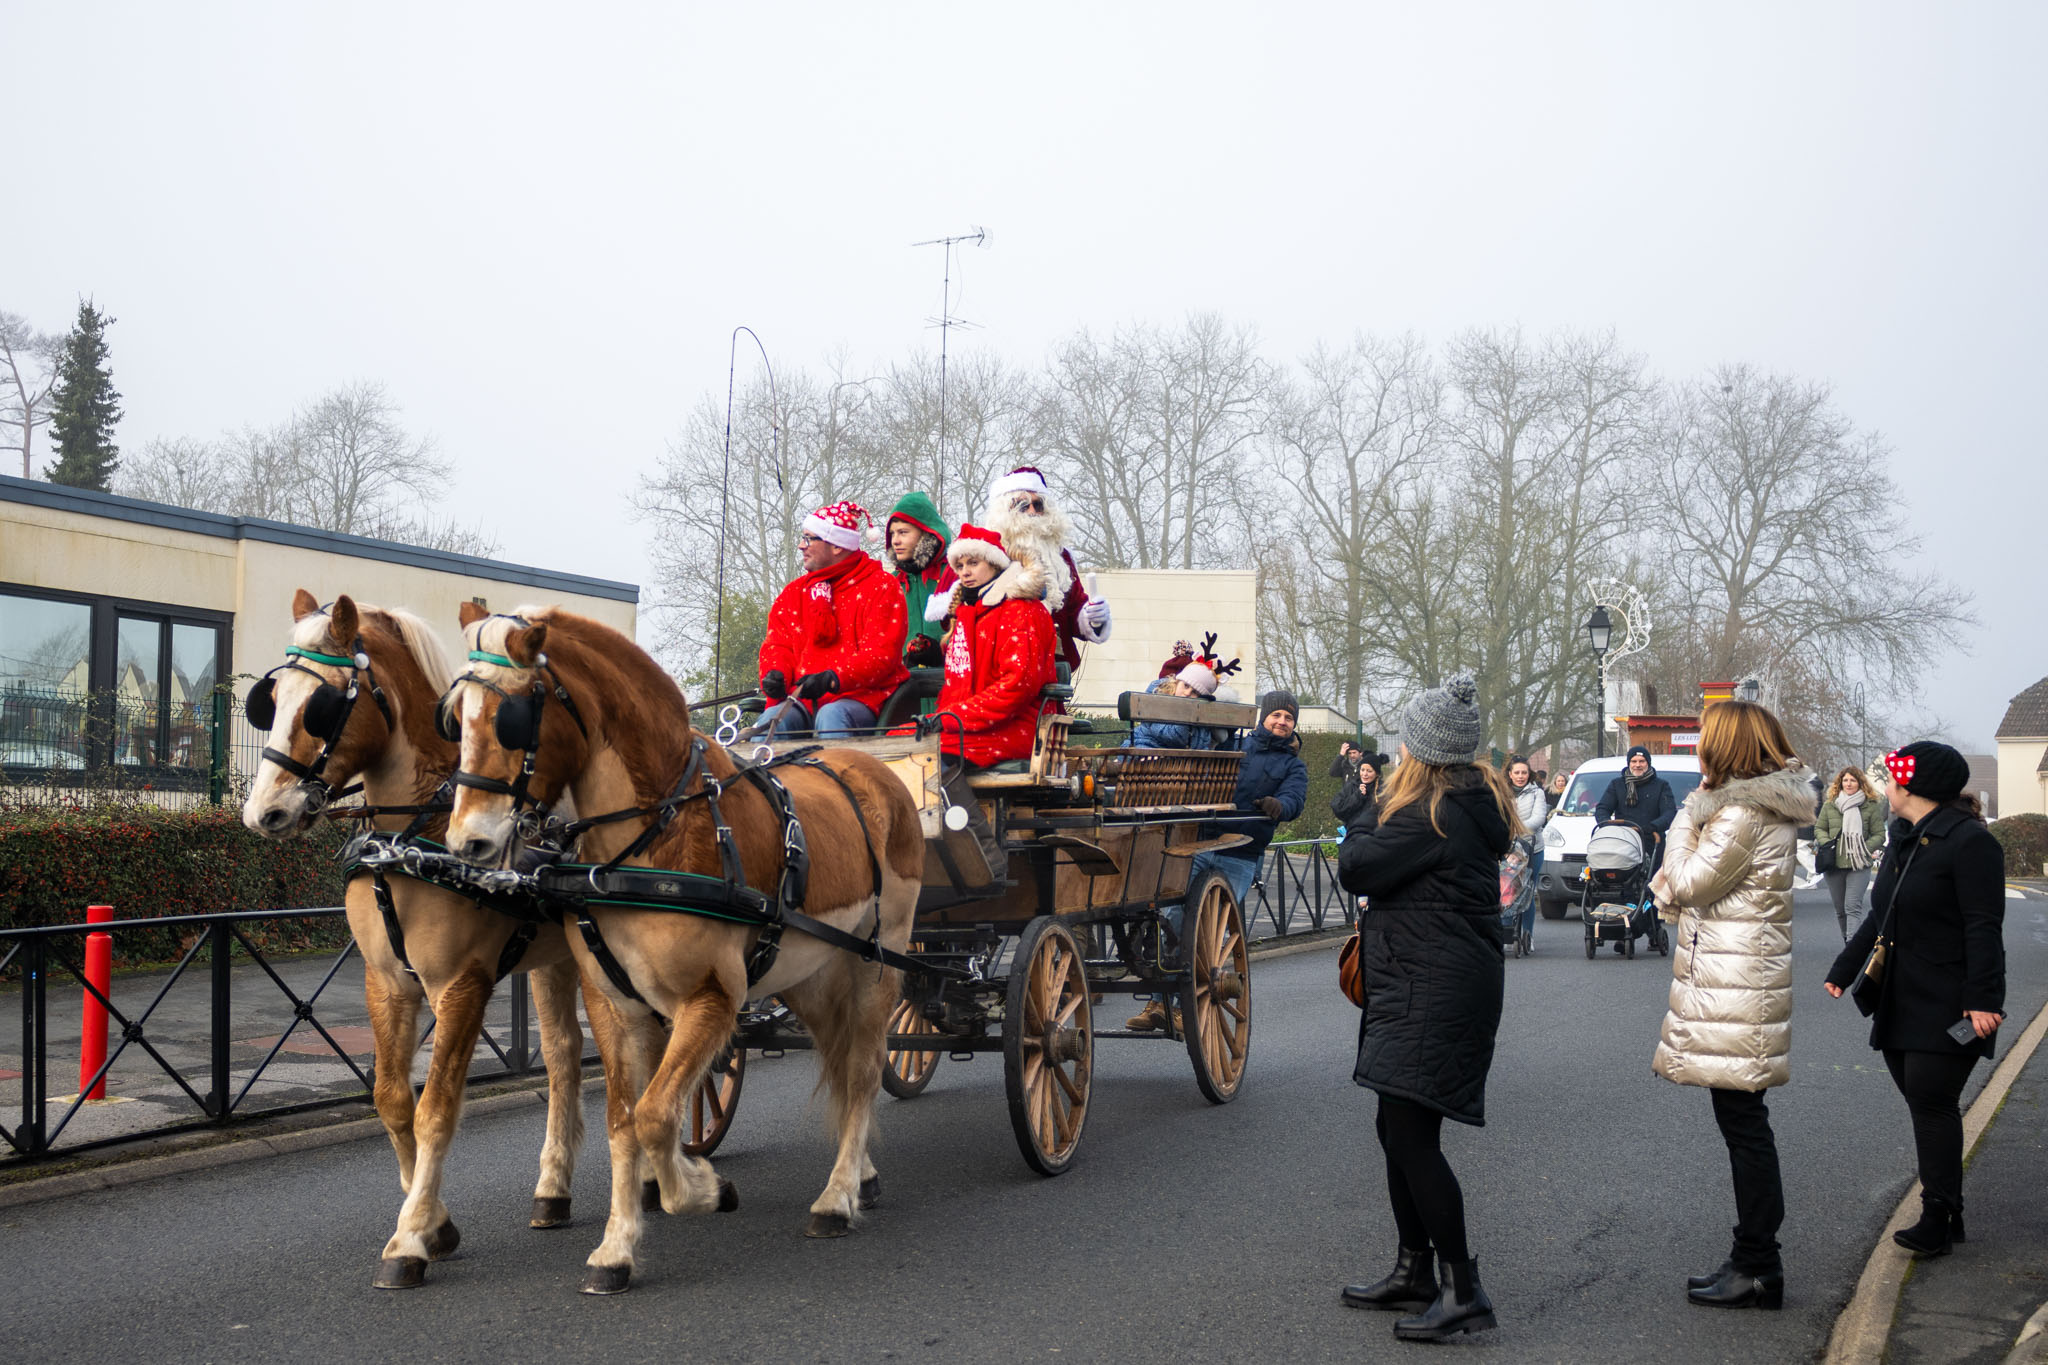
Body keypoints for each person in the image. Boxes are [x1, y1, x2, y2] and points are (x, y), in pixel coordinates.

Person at [1336, 675, 1518, 1342]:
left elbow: (1357, 865)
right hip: (1430, 982)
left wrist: (1360, 807)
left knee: (1412, 1136)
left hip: (1431, 990)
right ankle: (1415, 1268)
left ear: (1419, 749)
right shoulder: (1460, 800)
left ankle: (1462, 1289)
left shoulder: (1430, 812)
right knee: (1397, 1126)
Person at [1647, 699, 1814, 1310]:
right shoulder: (1755, 807)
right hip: (1740, 982)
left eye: (1707, 741)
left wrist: (1685, 820)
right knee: (1744, 1126)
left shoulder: (1741, 811)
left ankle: (1758, 1266)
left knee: (1745, 1129)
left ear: (1728, 748)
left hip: (1737, 987)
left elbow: (1689, 883)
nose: (1699, 753)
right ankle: (1752, 1259)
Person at [1825, 742, 2005, 1260]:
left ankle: (1936, 1216)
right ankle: (1950, 1210)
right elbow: (1883, 914)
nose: (1885, 786)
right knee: (1923, 1102)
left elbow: (1983, 926)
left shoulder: (1970, 843)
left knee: (1931, 1102)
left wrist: (1984, 999)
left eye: (1892, 780)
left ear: (1912, 787)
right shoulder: (1905, 838)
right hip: (1901, 997)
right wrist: (1844, 969)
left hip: (1951, 999)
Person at [1127, 690, 1305, 1032]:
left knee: (1209, 929)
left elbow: (1294, 797)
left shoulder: (1294, 765)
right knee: (1173, 918)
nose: (1282, 722)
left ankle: (1182, 1007)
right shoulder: (1235, 746)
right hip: (1200, 842)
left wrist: (1279, 806)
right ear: (1263, 718)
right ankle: (1157, 1002)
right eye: (1276, 716)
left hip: (1241, 851)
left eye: (1288, 718)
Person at [753, 500, 908, 740]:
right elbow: (777, 645)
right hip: (801, 701)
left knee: (831, 716)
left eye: (809, 539)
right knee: (771, 722)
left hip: (863, 699)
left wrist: (834, 679)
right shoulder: (793, 594)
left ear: (837, 546)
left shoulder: (881, 587)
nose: (800, 546)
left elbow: (881, 655)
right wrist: (775, 673)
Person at [925, 525, 1055, 768]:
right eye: (960, 566)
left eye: (973, 563)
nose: (965, 572)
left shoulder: (1022, 610)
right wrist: (943, 718)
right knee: (898, 742)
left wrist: (953, 718)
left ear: (994, 564)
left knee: (928, 758)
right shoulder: (967, 614)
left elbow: (1016, 687)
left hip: (1016, 727)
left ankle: (952, 808)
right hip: (966, 725)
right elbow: (956, 688)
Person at [980, 466, 1111, 678]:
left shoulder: (1061, 556)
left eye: (1038, 504)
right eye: (1022, 504)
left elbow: (1074, 608)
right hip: (1001, 668)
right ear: (1004, 511)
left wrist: (1092, 617)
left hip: (1054, 670)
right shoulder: (988, 553)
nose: (1032, 511)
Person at [1130, 633, 1241, 750]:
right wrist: (1191, 711)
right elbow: (1175, 737)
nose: (1187, 693)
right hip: (1146, 753)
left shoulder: (1202, 716)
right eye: (1186, 685)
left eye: (1196, 693)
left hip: (1179, 762)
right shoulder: (1159, 703)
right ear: (1178, 682)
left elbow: (1202, 745)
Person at [1814, 766, 1886, 942]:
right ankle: (1848, 943)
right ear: (1840, 783)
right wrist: (1827, 842)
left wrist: (1864, 847)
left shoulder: (1870, 806)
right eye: (1845, 780)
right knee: (1840, 910)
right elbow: (1819, 828)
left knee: (1852, 907)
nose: (1848, 783)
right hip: (1834, 864)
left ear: (1860, 783)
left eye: (1852, 780)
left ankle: (1852, 944)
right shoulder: (1830, 805)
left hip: (1859, 864)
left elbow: (1879, 834)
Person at [884, 491, 954, 669]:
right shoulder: (891, 583)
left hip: (950, 686)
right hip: (905, 691)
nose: (895, 541)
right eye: (892, 534)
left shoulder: (955, 575)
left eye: (903, 532)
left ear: (926, 533)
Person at [1595, 745, 1678, 870]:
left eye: (1641, 761)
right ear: (1629, 763)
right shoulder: (1617, 785)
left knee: (1651, 883)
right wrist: (1608, 826)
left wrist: (1653, 826)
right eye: (1634, 761)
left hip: (1652, 840)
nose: (1637, 765)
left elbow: (1669, 812)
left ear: (1648, 763)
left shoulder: (1661, 786)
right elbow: (1602, 809)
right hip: (1623, 841)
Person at [1506, 757, 1548, 950]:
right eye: (1517, 773)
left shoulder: (1536, 792)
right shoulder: (1502, 792)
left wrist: (1516, 829)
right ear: (1510, 774)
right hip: (1508, 849)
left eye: (1524, 773)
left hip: (1532, 848)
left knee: (1528, 890)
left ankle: (1527, 934)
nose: (1520, 776)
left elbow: (1539, 818)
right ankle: (1506, 932)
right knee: (1506, 889)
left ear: (1528, 774)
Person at [1330, 748, 1389, 829]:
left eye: (1369, 771)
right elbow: (1338, 808)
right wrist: (1357, 796)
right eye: (1362, 770)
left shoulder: (1383, 790)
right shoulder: (1352, 786)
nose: (1365, 774)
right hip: (1354, 833)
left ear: (1377, 774)